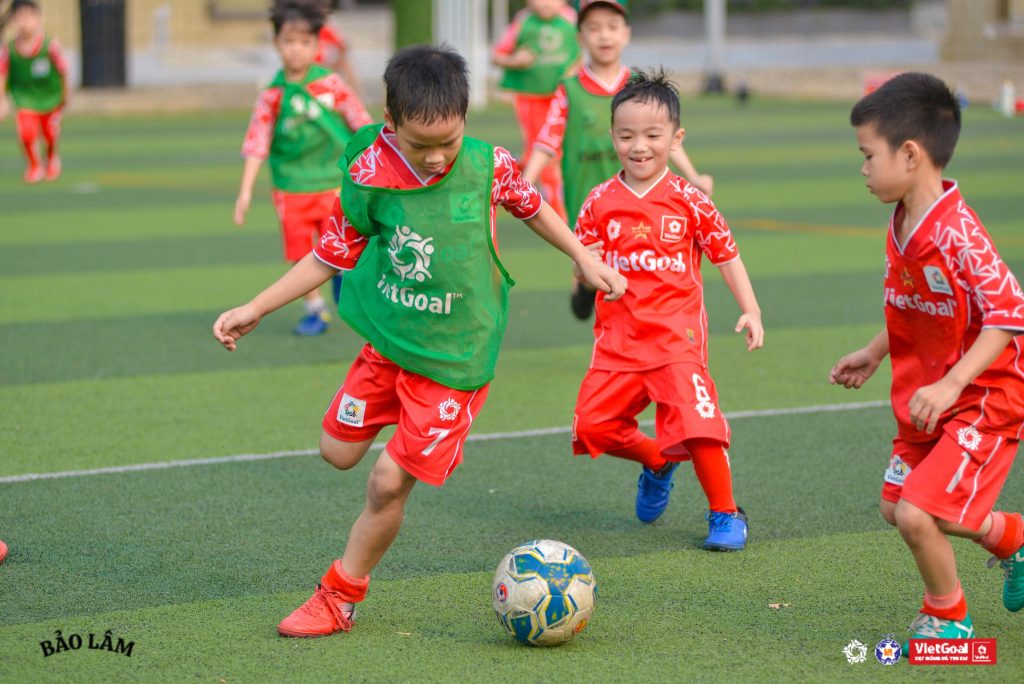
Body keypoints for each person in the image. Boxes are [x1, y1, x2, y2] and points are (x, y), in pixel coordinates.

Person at [213, 44, 627, 638]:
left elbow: (533, 207)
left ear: (465, 119)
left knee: (385, 483)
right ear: (390, 122)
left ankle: (339, 598)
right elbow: (329, 254)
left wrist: (583, 258)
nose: (435, 158)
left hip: (457, 358)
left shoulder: (489, 165)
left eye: (448, 142)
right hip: (391, 343)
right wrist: (256, 306)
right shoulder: (367, 171)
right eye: (419, 144)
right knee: (336, 452)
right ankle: (420, 438)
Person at [830, 72, 1024, 644]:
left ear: (910, 154)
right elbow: (911, 305)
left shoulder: (960, 232)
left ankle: (950, 618)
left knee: (919, 514)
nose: (863, 168)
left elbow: (1010, 312)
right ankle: (1013, 539)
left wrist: (953, 384)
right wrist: (873, 353)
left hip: (984, 398)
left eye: (869, 155)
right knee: (897, 508)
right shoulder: (901, 222)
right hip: (924, 395)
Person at [571, 70, 761, 551]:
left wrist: (751, 310)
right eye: (626, 135)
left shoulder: (691, 200)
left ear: (676, 140)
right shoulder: (597, 202)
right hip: (617, 343)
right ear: (612, 136)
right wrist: (587, 269)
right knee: (593, 427)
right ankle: (657, 461)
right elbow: (582, 264)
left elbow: (727, 254)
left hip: (677, 341)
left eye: (652, 136)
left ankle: (725, 513)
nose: (639, 147)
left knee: (699, 426)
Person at [521, 0, 712, 320]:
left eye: (612, 27)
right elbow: (547, 140)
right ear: (580, 37)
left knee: (636, 265)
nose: (604, 35)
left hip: (639, 195)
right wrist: (526, 180)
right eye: (593, 28)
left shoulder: (640, 86)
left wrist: (693, 176)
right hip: (587, 199)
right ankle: (584, 285)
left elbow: (663, 136)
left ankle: (635, 323)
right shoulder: (570, 89)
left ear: (626, 33)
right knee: (592, 262)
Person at [235, 0, 372, 336]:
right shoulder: (272, 95)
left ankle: (342, 275)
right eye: (289, 41)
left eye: (305, 42)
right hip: (290, 187)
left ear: (317, 45)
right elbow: (257, 142)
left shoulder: (332, 85)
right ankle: (315, 310)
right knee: (299, 252)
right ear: (276, 43)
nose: (296, 49)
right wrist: (245, 190)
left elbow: (362, 124)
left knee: (341, 240)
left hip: (333, 183)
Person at [491, 0, 579, 221]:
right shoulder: (522, 23)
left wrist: (575, 70)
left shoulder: (571, 20)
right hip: (530, 99)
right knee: (543, 148)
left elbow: (580, 54)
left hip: (561, 97)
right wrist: (515, 60)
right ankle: (557, 211)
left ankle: (509, 177)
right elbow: (497, 55)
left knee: (556, 151)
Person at [0, 0, 68, 183]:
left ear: (38, 19)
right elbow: (2, 74)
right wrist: (2, 100)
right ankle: (34, 165)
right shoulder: (9, 49)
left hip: (50, 98)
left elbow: (63, 70)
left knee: (50, 135)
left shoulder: (50, 46)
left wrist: (65, 96)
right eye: (19, 17)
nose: (24, 22)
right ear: (13, 20)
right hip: (24, 98)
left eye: (29, 17)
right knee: (27, 133)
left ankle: (51, 158)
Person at [314, 1, 362, 98]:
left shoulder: (326, 29)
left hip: (322, 67)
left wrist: (335, 64)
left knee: (346, 64)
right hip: (309, 66)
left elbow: (344, 45)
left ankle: (356, 97)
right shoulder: (307, 29)